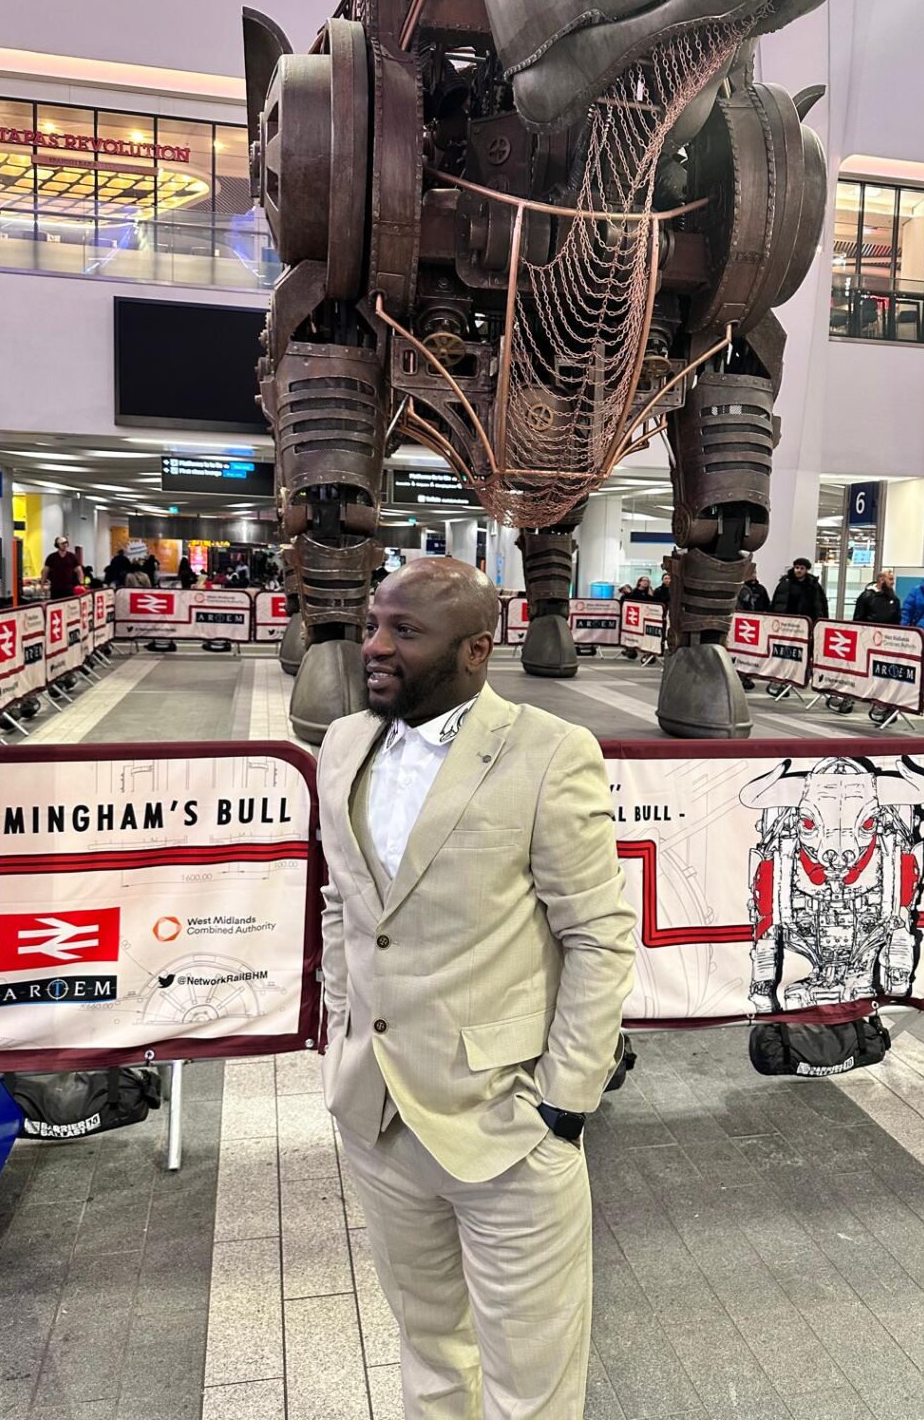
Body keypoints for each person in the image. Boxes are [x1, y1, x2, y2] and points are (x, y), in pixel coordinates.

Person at [317, 558, 635, 1418]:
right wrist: (338, 1032)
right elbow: (344, 903)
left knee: (529, 1383)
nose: (373, 647)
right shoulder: (342, 745)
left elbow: (598, 936)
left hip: (506, 1126)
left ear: (475, 651)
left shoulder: (548, 754)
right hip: (377, 1116)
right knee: (427, 1354)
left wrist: (563, 1105)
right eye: (374, 623)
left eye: (403, 632)